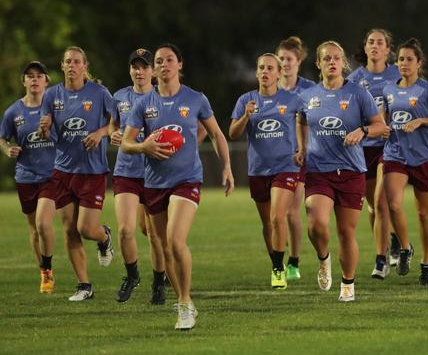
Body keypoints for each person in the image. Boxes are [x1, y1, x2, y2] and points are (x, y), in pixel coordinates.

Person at [121, 43, 234, 330]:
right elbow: (125, 142)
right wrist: (143, 146)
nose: (164, 64)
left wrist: (228, 167)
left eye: (170, 59)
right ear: (154, 68)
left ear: (179, 65)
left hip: (186, 180)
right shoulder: (143, 104)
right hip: (154, 182)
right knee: (162, 246)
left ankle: (184, 302)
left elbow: (216, 134)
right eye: (159, 61)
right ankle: (185, 301)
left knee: (174, 240)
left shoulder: (195, 99)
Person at [296, 40, 390, 302]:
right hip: (318, 170)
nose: (332, 62)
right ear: (318, 63)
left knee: (346, 232)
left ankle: (347, 284)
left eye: (337, 58)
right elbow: (301, 119)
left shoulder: (358, 94)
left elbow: (382, 127)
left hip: (350, 170)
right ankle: (323, 258)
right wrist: (302, 147)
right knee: (316, 224)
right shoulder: (308, 95)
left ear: (343, 63)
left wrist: (362, 131)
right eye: (327, 58)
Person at [38, 46, 115, 302]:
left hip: (92, 171)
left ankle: (104, 235)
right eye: (68, 62)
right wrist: (45, 131)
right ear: (62, 66)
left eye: (77, 62)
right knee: (70, 229)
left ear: (85, 66)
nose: (72, 66)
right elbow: (47, 133)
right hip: (63, 170)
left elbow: (116, 123)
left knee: (86, 228)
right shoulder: (51, 96)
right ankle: (84, 285)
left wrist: (101, 133)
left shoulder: (99, 92)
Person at [382, 38, 428, 286]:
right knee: (393, 203)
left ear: (419, 63)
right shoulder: (389, 89)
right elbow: (384, 119)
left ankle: (426, 261)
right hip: (396, 154)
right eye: (400, 59)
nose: (404, 63)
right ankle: (405, 247)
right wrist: (382, 129)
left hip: (423, 156)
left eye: (409, 59)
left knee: (424, 213)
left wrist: (422, 121)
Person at [229, 53, 301, 290]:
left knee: (277, 217)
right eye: (261, 68)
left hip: (286, 167)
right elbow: (233, 133)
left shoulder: (292, 100)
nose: (266, 72)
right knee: (268, 224)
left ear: (279, 73)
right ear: (257, 73)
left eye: (271, 68)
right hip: (258, 169)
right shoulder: (246, 101)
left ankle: (279, 269)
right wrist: (246, 116)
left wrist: (304, 149)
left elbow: (306, 123)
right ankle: (276, 261)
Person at [109, 48, 173, 303]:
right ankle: (132, 275)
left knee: (154, 234)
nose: (140, 71)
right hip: (126, 170)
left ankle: (159, 280)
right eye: (135, 66)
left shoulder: (164, 98)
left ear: (153, 71)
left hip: (154, 173)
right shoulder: (120, 97)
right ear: (130, 70)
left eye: (145, 66)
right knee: (125, 230)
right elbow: (113, 125)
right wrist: (112, 133)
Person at [348, 28, 401, 279]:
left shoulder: (398, 74)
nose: (375, 46)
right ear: (366, 47)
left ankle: (381, 260)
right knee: (373, 206)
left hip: (389, 147)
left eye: (380, 42)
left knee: (381, 202)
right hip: (363, 148)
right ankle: (390, 240)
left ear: (388, 49)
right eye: (371, 42)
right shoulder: (355, 78)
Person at [0, 61, 56, 293]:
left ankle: (48, 265)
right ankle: (45, 273)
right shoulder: (13, 112)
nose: (34, 79)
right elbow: (2, 138)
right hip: (26, 176)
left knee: (44, 223)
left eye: (39, 75)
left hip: (52, 175)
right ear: (23, 81)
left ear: (46, 81)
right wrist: (7, 149)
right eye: (29, 76)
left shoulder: (56, 108)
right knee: (34, 229)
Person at [276, 36, 316, 280]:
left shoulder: (309, 89)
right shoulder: (270, 86)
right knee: (277, 215)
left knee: (292, 212)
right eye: (280, 58)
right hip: (276, 158)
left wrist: (305, 147)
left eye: (289, 59)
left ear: (299, 61)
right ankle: (282, 259)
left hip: (301, 157)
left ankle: (293, 262)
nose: (284, 63)